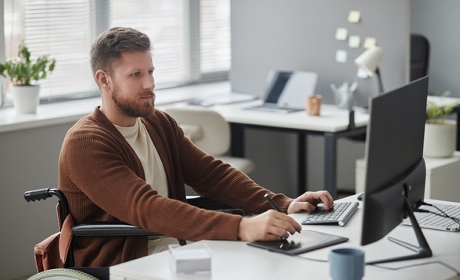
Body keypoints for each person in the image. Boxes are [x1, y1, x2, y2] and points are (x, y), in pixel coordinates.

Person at [58, 26, 334, 267]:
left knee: (276, 258)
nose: (150, 84)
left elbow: (213, 175)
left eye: (151, 72)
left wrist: (284, 204)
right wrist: (242, 226)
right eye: (136, 75)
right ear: (104, 80)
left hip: (175, 244)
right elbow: (146, 208)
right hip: (125, 259)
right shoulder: (86, 143)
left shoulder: (158, 122)